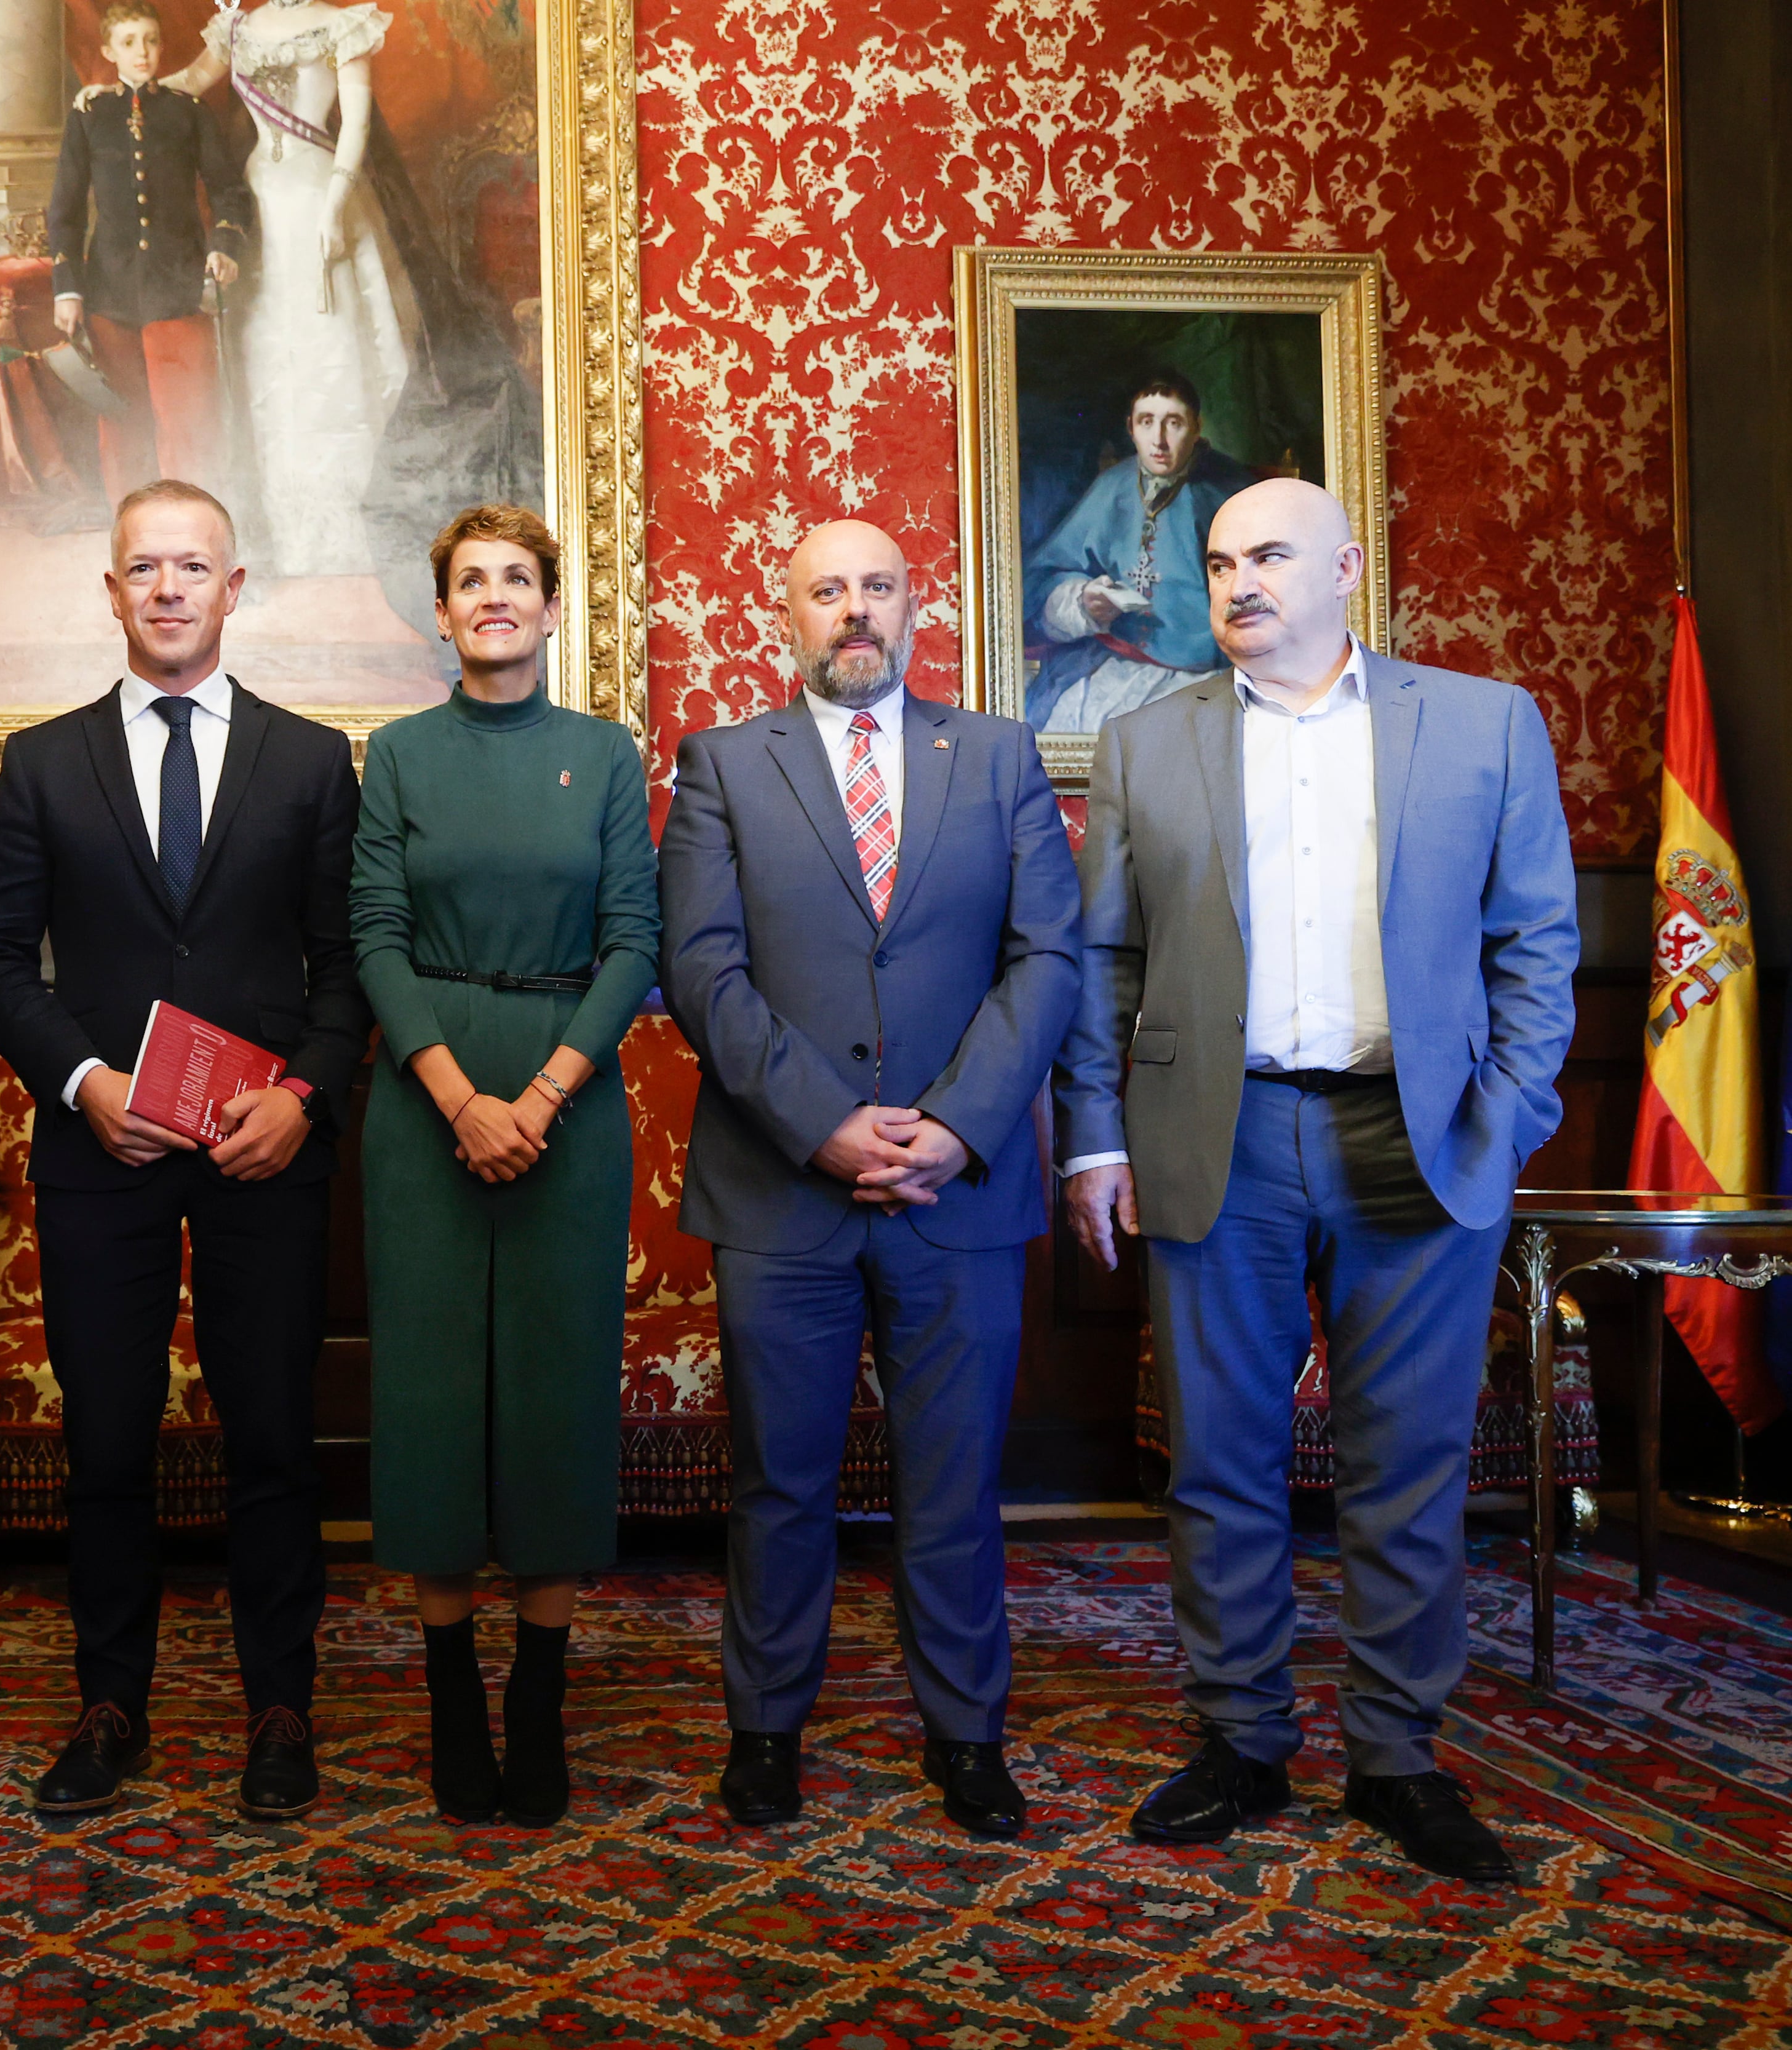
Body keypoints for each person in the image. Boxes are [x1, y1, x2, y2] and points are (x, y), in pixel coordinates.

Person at [1055, 478, 1579, 1886]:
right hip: (1212, 1135)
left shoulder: (1481, 724)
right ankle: (1240, 1739)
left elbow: (1538, 942)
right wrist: (1095, 1137)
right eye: (1220, 561)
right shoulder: (1143, 743)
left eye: (1270, 555)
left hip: (1414, 1139)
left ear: (1345, 566)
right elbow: (1103, 960)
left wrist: (1509, 1115)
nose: (1240, 583)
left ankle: (1398, 1756)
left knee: (1404, 1468)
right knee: (1219, 1460)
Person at [659, 520, 1082, 1840]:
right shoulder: (723, 763)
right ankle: (766, 1730)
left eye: (879, 587)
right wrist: (825, 1125)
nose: (855, 610)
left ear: (917, 607)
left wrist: (955, 1126)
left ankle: (965, 1734)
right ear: (782, 611)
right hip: (783, 1188)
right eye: (827, 589)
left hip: (959, 1190)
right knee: (779, 1480)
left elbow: (1048, 958)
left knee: (952, 1481)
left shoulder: (999, 754)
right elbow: (702, 972)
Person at [0, 479, 369, 1822]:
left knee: (271, 1439)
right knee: (109, 1442)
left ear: (236, 587)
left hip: (264, 1149)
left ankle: (279, 1708)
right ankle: (108, 1704)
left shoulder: (312, 761)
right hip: (105, 1152)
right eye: (146, 567)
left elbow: (344, 962)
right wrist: (81, 1081)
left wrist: (305, 1096)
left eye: (195, 566)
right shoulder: (40, 757)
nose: (171, 588)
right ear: (113, 591)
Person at [349, 503, 657, 1827]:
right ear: (442, 612)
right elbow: (371, 936)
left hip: (567, 1107)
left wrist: (534, 1095)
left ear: (546, 607)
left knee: (551, 1394)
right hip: (423, 1106)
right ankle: (451, 1701)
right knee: (429, 1401)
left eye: (514, 579)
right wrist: (459, 1097)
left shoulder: (604, 753)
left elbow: (636, 942)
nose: (491, 598)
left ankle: (537, 1700)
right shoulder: (399, 755)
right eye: (468, 580)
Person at [162, 2, 418, 576]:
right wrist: (114, 95)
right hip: (260, 201)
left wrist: (334, 207)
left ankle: (348, 528)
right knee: (269, 354)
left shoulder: (342, 24)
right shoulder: (237, 28)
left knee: (330, 354)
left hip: (317, 197)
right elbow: (182, 85)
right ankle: (276, 526)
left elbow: (356, 124)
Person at [47, 1, 255, 506]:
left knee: (190, 423)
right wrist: (68, 290)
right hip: (111, 291)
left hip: (179, 285)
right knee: (123, 424)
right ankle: (133, 530)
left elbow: (230, 191)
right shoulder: (90, 117)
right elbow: (66, 210)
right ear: (108, 51)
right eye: (129, 42)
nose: (143, 52)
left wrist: (225, 246)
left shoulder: (189, 112)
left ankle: (195, 528)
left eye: (151, 40)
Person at [1021, 369, 1253, 734]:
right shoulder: (1111, 485)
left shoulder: (1231, 493)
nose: (1159, 440)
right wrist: (1085, 601)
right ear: (1131, 428)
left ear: (1196, 426)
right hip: (1110, 655)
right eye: (1147, 422)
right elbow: (1048, 573)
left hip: (1201, 671)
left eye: (1173, 423)